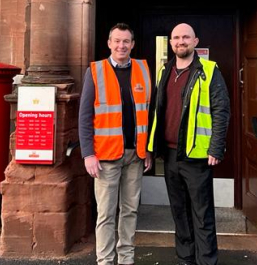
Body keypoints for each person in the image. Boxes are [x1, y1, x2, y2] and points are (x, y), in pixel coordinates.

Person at [147, 23, 231, 265]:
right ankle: (186, 259)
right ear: (171, 42)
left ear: (195, 41)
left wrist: (216, 147)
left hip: (197, 155)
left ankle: (206, 261)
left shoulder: (209, 70)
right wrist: (152, 148)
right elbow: (157, 111)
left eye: (185, 37)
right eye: (176, 37)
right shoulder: (165, 70)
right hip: (170, 155)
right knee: (179, 212)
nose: (180, 41)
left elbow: (221, 110)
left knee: (202, 214)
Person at [79, 23, 152, 265]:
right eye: (117, 41)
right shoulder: (95, 71)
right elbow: (84, 116)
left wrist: (148, 150)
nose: (121, 45)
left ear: (132, 44)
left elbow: (148, 114)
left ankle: (126, 259)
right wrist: (88, 153)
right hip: (105, 157)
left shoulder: (143, 68)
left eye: (126, 41)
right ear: (109, 43)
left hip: (136, 155)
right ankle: (105, 261)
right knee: (106, 214)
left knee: (130, 211)